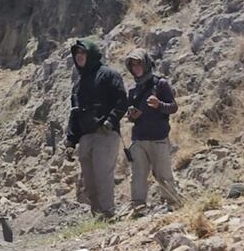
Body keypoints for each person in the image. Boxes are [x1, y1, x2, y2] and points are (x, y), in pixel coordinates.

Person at [65, 39, 128, 219]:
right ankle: (98, 216)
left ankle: (108, 214)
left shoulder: (108, 75)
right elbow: (74, 114)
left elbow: (121, 101)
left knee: (102, 175)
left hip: (104, 134)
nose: (79, 57)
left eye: (83, 53)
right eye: (77, 54)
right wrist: (71, 140)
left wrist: (110, 121)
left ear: (91, 54)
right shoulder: (78, 84)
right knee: (89, 182)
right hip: (85, 137)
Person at [125, 49, 181, 213]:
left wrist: (159, 105)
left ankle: (173, 205)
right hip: (139, 139)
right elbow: (130, 116)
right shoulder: (133, 91)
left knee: (163, 174)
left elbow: (173, 107)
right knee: (138, 176)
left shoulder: (160, 84)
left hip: (158, 138)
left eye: (139, 63)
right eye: (132, 65)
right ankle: (138, 207)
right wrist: (132, 116)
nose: (136, 68)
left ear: (146, 64)